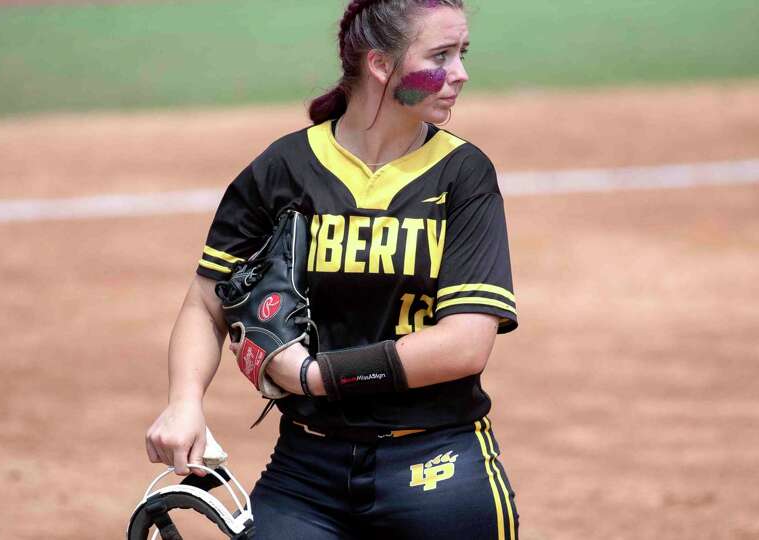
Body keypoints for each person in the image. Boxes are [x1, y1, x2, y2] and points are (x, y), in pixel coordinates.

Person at [145, 0, 520, 538]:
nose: (460, 73)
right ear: (380, 65)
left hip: (437, 459)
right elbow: (207, 301)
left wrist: (314, 376)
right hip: (306, 472)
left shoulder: (463, 175)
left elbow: (465, 343)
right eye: (440, 55)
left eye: (461, 53)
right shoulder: (284, 168)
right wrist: (184, 403)